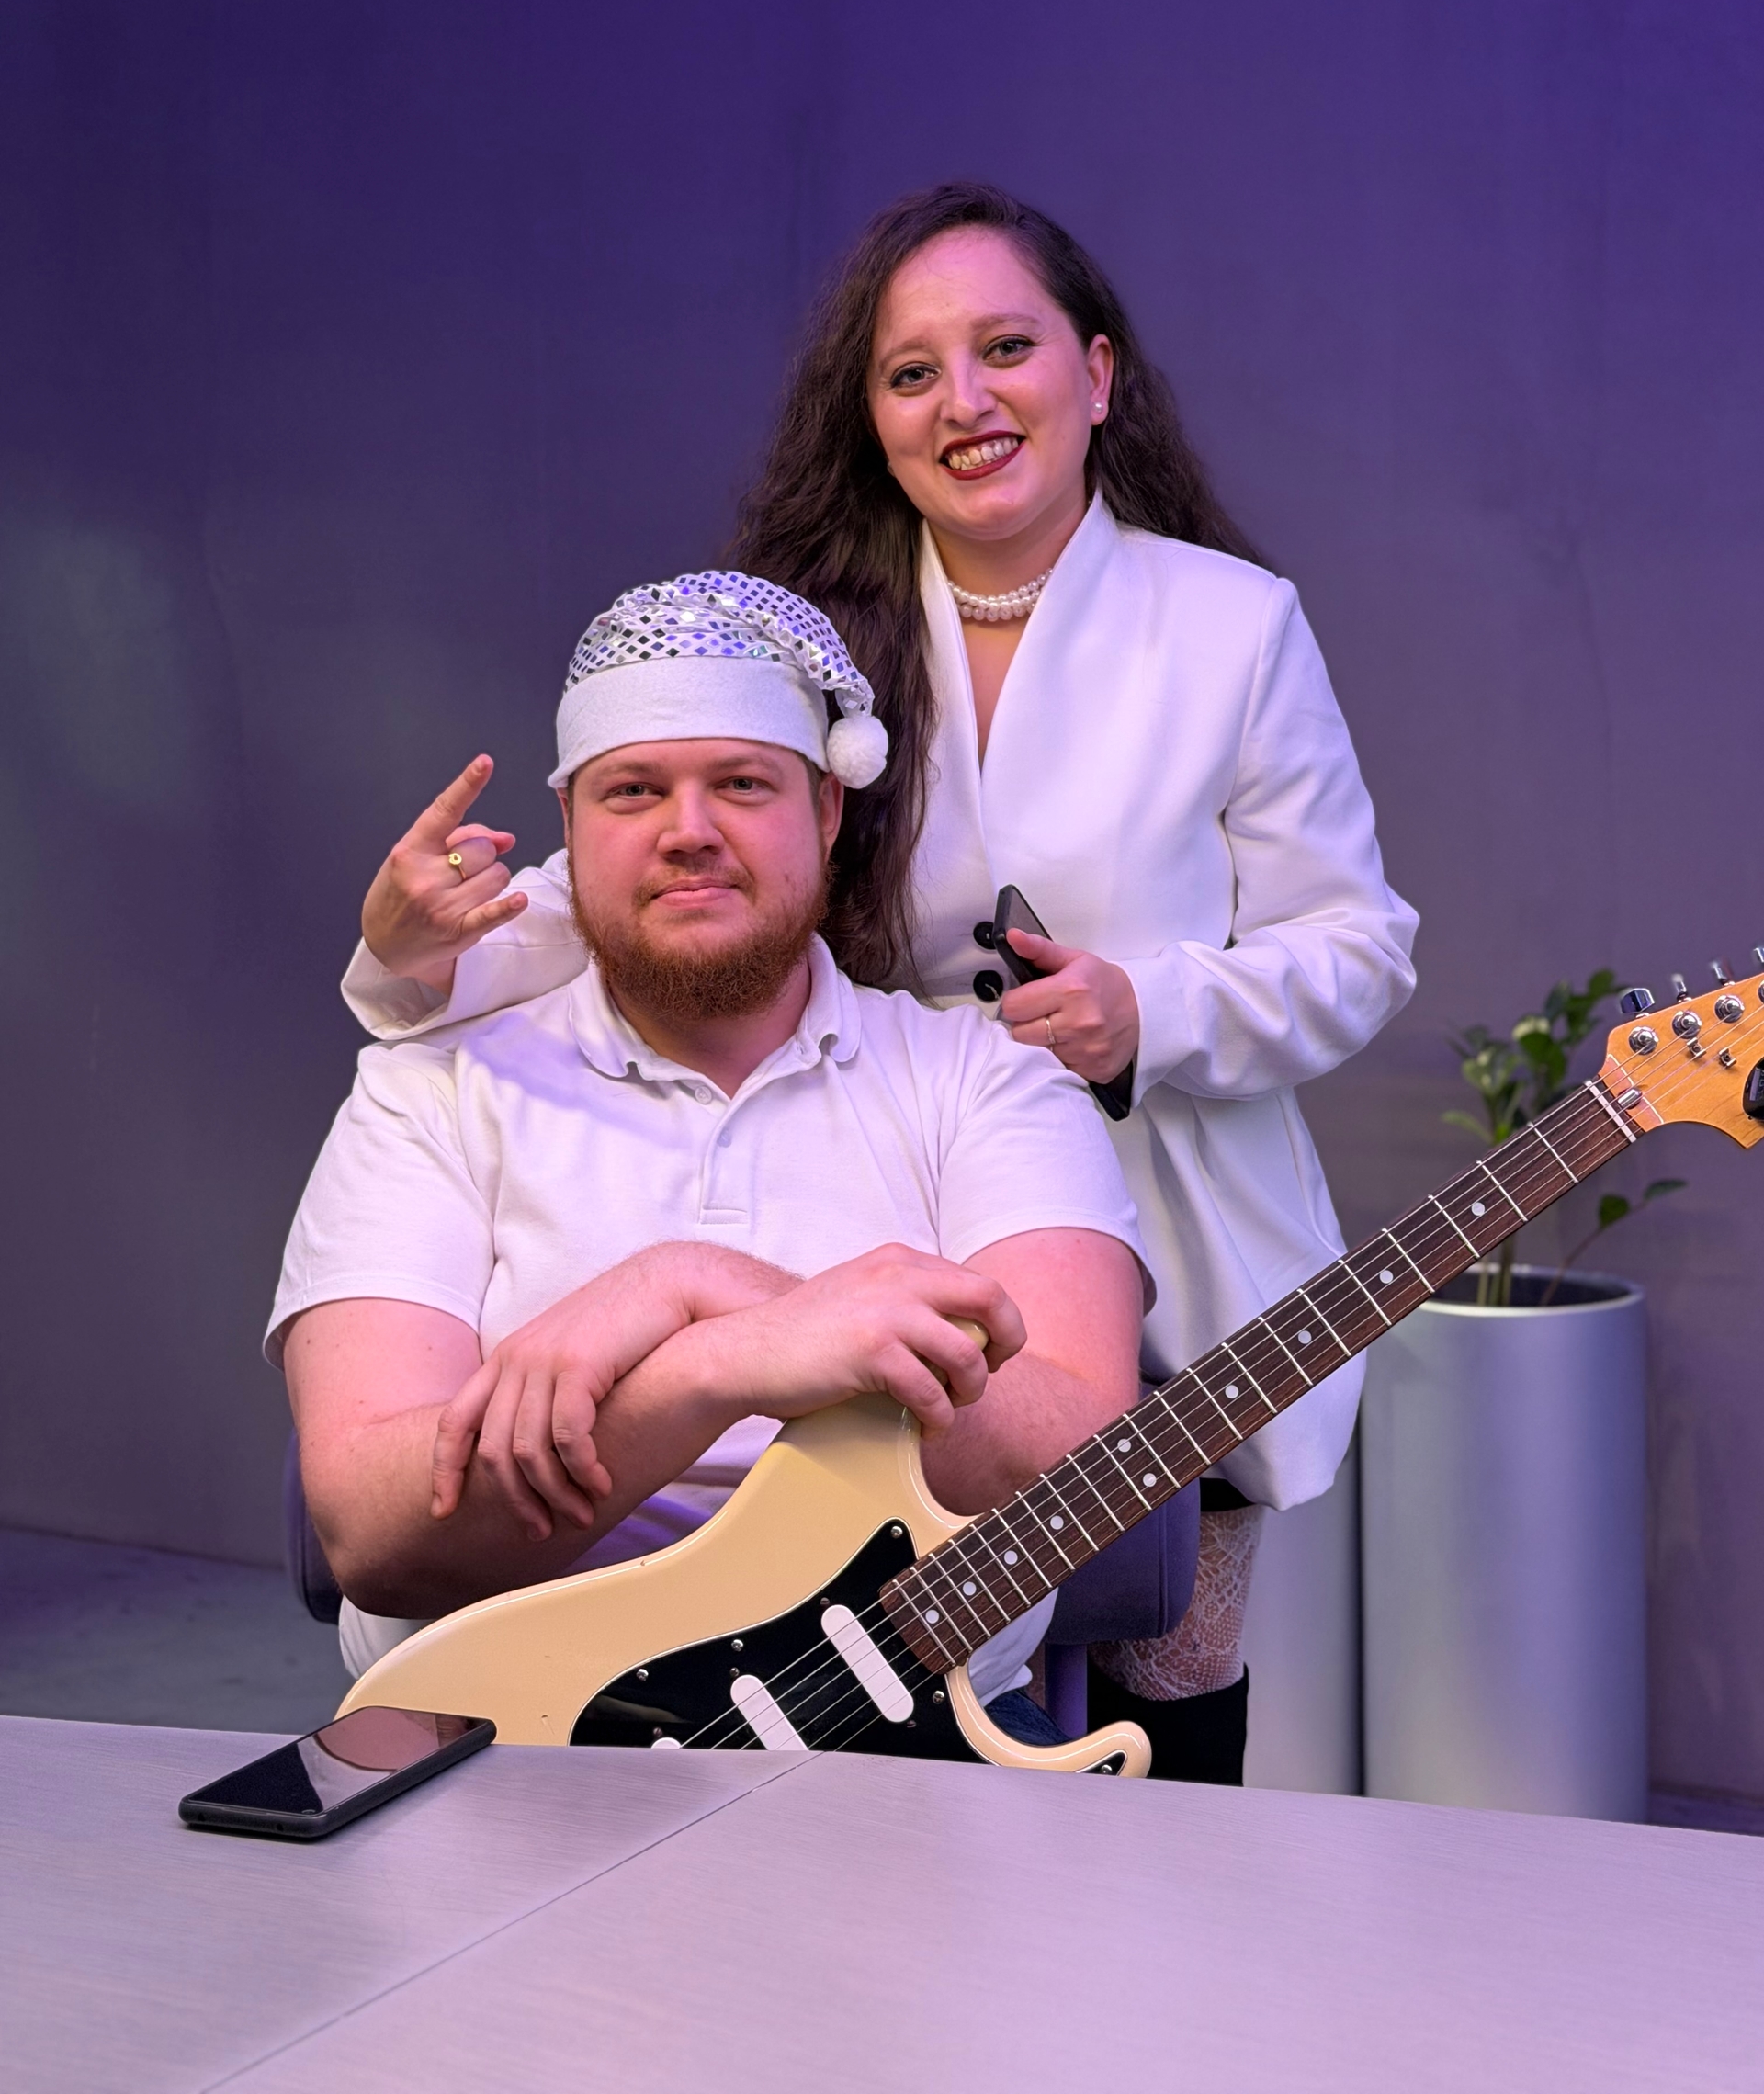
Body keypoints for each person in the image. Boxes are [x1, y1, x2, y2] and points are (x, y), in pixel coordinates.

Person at [344, 185, 1418, 1779]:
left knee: (1166, 1679)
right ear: (870, 416)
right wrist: (417, 949)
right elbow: (667, 873)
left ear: (1098, 375)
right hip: (886, 1206)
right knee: (859, 1660)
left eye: (1007, 350)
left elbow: (1358, 941)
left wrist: (1155, 1012)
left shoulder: (1232, 626)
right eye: (913, 373)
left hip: (1172, 1211)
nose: (963, 401)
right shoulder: (812, 618)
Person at [275, 570, 1149, 1742]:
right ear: (570, 829)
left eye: (741, 783)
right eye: (633, 790)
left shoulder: (988, 1080)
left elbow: (1085, 1468)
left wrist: (717, 1291)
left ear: (827, 810)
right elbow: (374, 1530)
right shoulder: (428, 1088)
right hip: (504, 1733)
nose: (689, 830)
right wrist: (710, 1360)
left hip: (909, 1740)